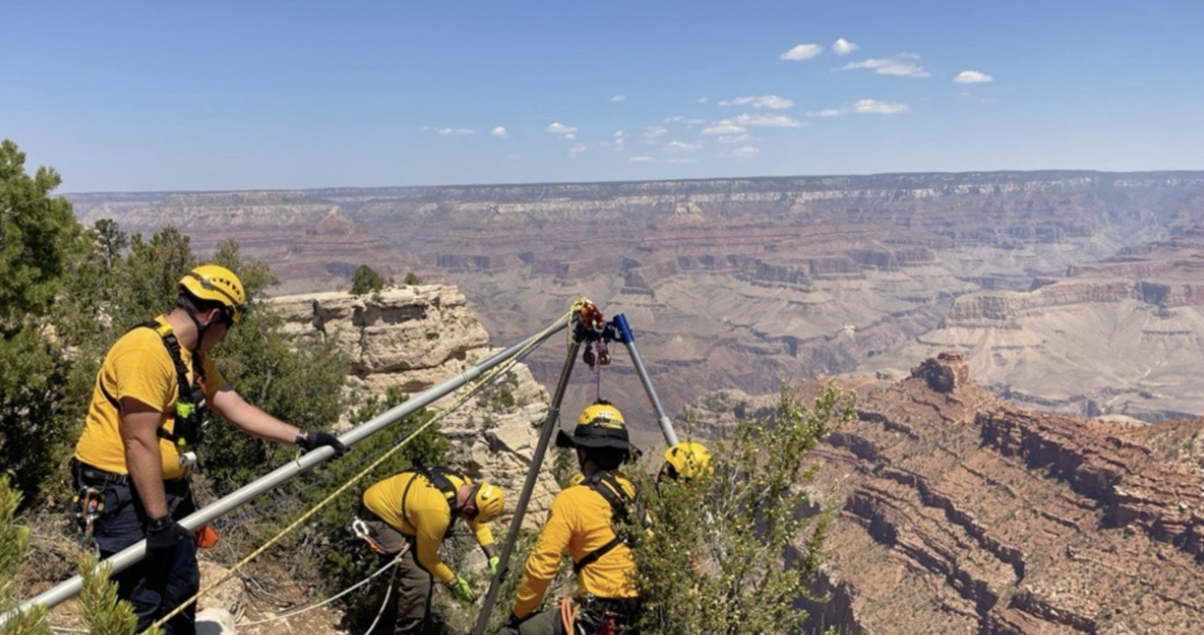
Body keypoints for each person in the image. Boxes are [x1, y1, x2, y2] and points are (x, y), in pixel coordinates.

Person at [69, 264, 347, 635]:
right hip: (122, 495)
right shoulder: (145, 351)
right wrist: (157, 521)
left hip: (165, 492)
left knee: (180, 589)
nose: (225, 336)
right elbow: (139, 440)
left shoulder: (188, 355)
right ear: (215, 316)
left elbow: (234, 406)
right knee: (140, 602)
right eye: (228, 327)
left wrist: (303, 437)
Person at [504, 400, 641, 635]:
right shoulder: (638, 493)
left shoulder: (572, 499)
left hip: (596, 618)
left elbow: (542, 567)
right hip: (640, 614)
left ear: (582, 452)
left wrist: (518, 613)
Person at [355, 466, 505, 635]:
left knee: (418, 573)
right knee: (419, 577)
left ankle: (391, 617)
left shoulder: (464, 484)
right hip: (378, 518)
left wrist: (493, 556)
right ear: (469, 510)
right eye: (470, 515)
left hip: (396, 507)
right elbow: (427, 557)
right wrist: (454, 582)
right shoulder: (437, 512)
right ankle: (405, 631)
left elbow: (478, 524)